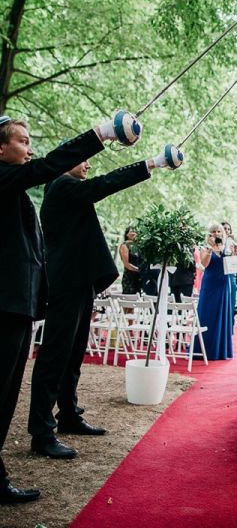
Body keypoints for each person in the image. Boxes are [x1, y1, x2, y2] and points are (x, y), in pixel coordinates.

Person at [0, 113, 126, 503]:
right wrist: (104, 133)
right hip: (7, 305)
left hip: (22, 303)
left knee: (7, 395)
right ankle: (35, 437)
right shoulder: (14, 180)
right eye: (22, 141)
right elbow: (51, 164)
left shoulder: (15, 190)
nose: (29, 148)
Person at [28, 142, 182, 459]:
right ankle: (41, 432)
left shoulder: (69, 187)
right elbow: (107, 183)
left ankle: (68, 415)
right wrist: (152, 163)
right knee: (55, 356)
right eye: (81, 159)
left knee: (73, 355)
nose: (87, 163)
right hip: (66, 283)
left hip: (79, 282)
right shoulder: (62, 185)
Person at [196, 223, 233, 360]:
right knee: (207, 313)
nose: (217, 233)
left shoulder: (227, 247)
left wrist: (234, 255)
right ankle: (204, 348)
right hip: (210, 284)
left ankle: (220, 350)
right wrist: (211, 248)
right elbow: (204, 264)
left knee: (222, 315)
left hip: (224, 285)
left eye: (219, 231)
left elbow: (233, 267)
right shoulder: (205, 247)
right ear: (210, 234)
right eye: (214, 231)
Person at [119, 226, 141, 295]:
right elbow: (127, 264)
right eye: (131, 231)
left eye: (135, 231)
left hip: (138, 278)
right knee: (128, 302)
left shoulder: (138, 246)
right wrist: (139, 270)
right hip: (129, 278)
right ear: (126, 234)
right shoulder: (124, 245)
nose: (133, 233)